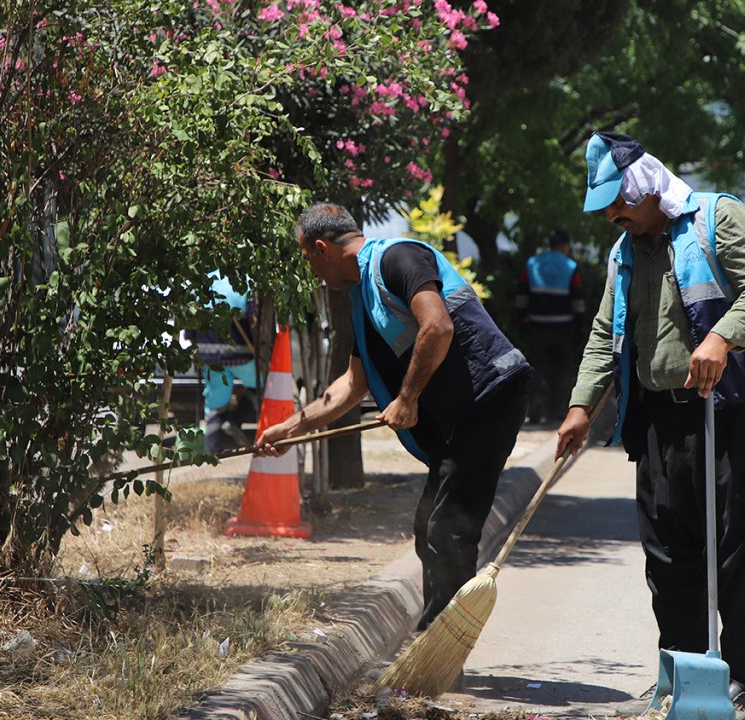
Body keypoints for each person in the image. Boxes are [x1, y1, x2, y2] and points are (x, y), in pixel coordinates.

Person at [557, 132, 745, 720]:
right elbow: (602, 334)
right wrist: (582, 406)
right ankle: (685, 677)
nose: (613, 215)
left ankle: (743, 683)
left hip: (739, 411)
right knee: (668, 553)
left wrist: (720, 337)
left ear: (645, 189)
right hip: (663, 418)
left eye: (618, 202)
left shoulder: (720, 218)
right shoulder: (624, 251)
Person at [254, 203, 532, 630]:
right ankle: (439, 643)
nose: (312, 272)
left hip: (487, 399)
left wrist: (407, 398)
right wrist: (290, 428)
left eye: (308, 258)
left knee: (447, 530)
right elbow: (351, 384)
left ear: (322, 247)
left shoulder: (397, 258)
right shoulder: (362, 303)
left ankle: (440, 648)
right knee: (430, 529)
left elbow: (437, 326)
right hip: (459, 416)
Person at [515, 228, 585, 424]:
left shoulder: (532, 264)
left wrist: (521, 320)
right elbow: (577, 300)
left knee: (535, 370)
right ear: (564, 246)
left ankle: (534, 412)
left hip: (536, 325)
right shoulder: (571, 266)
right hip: (563, 327)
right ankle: (557, 412)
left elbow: (522, 296)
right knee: (560, 371)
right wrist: (579, 325)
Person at [185, 272, 261, 452]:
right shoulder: (245, 281)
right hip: (241, 354)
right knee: (260, 387)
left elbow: (189, 325)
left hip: (210, 357)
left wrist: (196, 344)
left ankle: (211, 455)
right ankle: (235, 420)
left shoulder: (201, 283)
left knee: (214, 407)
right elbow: (254, 319)